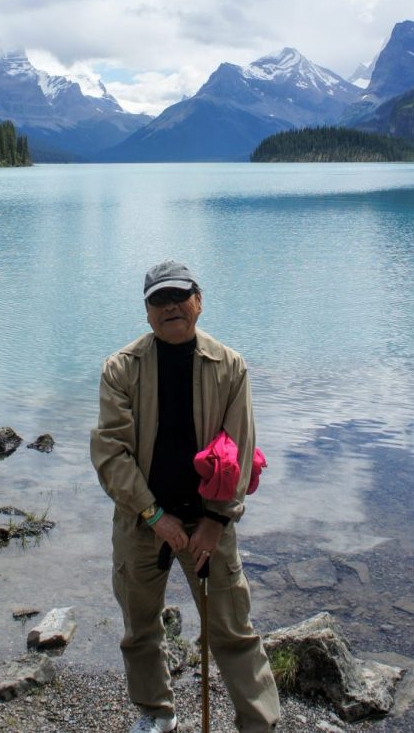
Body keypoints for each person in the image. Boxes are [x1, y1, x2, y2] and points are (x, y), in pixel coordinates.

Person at [90, 260, 280, 733]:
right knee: (140, 628)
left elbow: (241, 447)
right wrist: (154, 515)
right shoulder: (121, 369)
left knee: (231, 630)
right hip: (141, 521)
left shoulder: (229, 366)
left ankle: (259, 723)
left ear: (199, 301)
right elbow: (111, 453)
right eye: (159, 299)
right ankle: (157, 712)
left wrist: (217, 520)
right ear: (147, 311)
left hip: (207, 523)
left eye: (179, 296)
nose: (170, 306)